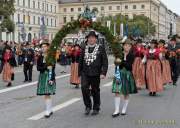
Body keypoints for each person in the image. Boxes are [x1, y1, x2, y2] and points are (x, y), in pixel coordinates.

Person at [79, 31, 108, 116]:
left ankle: (96, 107)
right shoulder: (84, 48)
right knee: (84, 88)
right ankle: (88, 106)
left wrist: (103, 72)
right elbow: (81, 60)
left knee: (95, 90)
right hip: (85, 72)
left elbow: (105, 61)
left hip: (96, 72)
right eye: (89, 37)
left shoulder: (100, 48)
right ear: (87, 39)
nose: (91, 39)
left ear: (96, 39)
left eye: (93, 37)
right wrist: (79, 73)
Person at [112, 39, 137, 117]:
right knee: (117, 91)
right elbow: (117, 64)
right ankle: (116, 110)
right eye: (125, 45)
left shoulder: (132, 55)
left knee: (126, 93)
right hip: (119, 74)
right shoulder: (119, 54)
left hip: (127, 75)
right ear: (123, 46)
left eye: (129, 46)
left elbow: (129, 67)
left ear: (130, 47)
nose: (127, 47)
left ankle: (124, 109)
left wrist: (122, 62)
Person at [37, 42, 56, 118]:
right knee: (46, 93)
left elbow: (52, 68)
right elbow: (38, 68)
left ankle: (48, 110)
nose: (43, 48)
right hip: (42, 76)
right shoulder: (40, 57)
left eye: (45, 46)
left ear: (48, 48)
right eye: (42, 47)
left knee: (47, 93)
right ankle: (50, 109)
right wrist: (45, 67)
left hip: (49, 75)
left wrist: (51, 78)